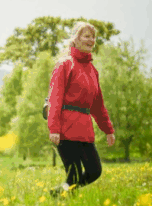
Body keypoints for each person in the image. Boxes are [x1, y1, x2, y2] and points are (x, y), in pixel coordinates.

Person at [47, 21, 115, 194]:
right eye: (86, 36)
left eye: (93, 37)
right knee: (74, 176)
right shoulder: (64, 64)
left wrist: (108, 129)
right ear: (75, 39)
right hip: (65, 129)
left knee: (94, 171)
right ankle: (62, 200)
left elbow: (98, 105)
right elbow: (55, 98)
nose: (91, 40)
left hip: (85, 130)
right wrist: (54, 128)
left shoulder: (93, 70)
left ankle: (56, 195)